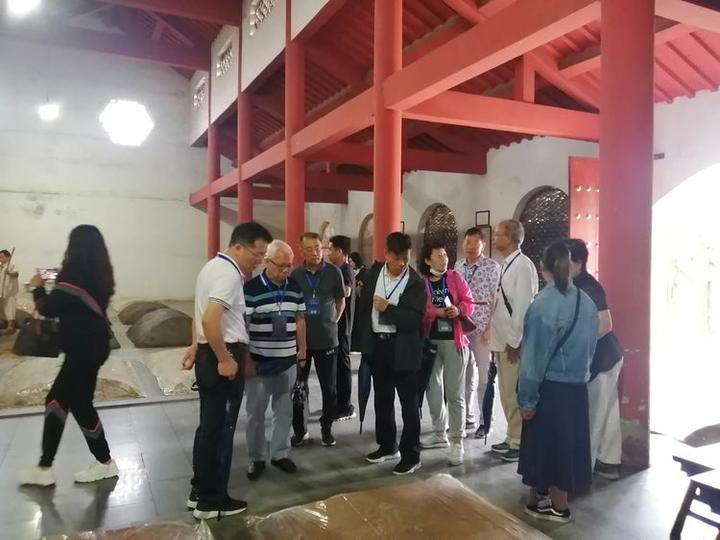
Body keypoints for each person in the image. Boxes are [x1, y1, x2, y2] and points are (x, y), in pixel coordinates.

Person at [182, 222, 272, 520]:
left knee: (208, 428)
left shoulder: (211, 267)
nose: (259, 261)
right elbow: (210, 320)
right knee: (221, 431)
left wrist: (196, 345)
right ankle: (212, 502)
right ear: (238, 247)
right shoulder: (229, 274)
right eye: (257, 254)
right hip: (222, 354)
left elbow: (199, 315)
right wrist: (224, 358)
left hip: (209, 351)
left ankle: (199, 491)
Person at [19, 225, 118, 487]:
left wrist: (37, 288)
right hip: (92, 346)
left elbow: (49, 307)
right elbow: (70, 295)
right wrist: (53, 278)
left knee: (70, 403)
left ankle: (101, 462)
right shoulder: (99, 274)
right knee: (64, 401)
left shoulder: (74, 275)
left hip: (83, 350)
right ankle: (48, 467)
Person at [518, 241, 598, 524]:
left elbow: (533, 359)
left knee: (547, 447)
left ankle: (557, 507)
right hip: (576, 388)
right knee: (566, 446)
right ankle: (553, 501)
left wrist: (527, 399)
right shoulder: (586, 302)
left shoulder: (542, 304)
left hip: (550, 388)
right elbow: (591, 347)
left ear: (544, 267)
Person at [358, 232, 426, 475]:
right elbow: (364, 308)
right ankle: (387, 446)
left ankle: (411, 455)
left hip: (404, 348)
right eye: (397, 258)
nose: (402, 263)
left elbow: (414, 319)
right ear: (386, 254)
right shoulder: (373, 273)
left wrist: (388, 309)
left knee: (409, 404)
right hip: (379, 346)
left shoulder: (415, 282)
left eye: (406, 258)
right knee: (383, 399)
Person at [243, 240, 306, 481]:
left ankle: (280, 453)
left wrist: (303, 349)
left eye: (289, 265)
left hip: (287, 362)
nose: (286, 270)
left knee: (284, 411)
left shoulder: (294, 286)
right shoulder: (251, 289)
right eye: (281, 266)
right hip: (259, 363)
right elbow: (243, 326)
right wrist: (247, 358)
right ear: (267, 262)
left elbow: (300, 318)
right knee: (255, 414)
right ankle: (256, 458)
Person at [566, 239, 624, 480]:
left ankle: (583, 471)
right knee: (607, 412)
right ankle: (609, 463)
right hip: (600, 358)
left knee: (594, 416)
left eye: (565, 261)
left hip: (602, 359)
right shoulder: (573, 285)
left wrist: (576, 345)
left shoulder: (589, 287)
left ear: (579, 263)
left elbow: (605, 325)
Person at [419, 240, 474, 465]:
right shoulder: (422, 283)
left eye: (445, 255)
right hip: (431, 341)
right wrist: (436, 312)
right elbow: (421, 309)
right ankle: (439, 432)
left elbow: (469, 302)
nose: (444, 259)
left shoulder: (455, 277)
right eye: (439, 255)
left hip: (454, 341)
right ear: (427, 260)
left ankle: (457, 441)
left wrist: (458, 309)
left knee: (454, 393)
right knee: (432, 388)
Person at [290, 232, 346, 447]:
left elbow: (340, 301)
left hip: (327, 340)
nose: (315, 252)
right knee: (299, 387)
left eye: (318, 248)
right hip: (301, 342)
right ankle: (300, 430)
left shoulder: (333, 272)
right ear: (301, 251)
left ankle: (326, 428)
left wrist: (332, 321)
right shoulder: (295, 275)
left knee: (329, 388)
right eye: (310, 249)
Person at [490, 219, 538, 462]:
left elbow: (522, 307)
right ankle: (511, 436)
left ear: (510, 238)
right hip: (501, 339)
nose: (494, 238)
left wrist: (514, 341)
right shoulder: (506, 264)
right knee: (505, 391)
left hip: (512, 342)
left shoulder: (523, 266)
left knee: (513, 392)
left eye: (497, 234)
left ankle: (519, 442)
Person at [455, 228, 501, 439]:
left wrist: (491, 327)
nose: (471, 246)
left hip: (482, 329)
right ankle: (468, 416)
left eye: (476, 242)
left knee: (484, 378)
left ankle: (485, 422)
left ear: (483, 244)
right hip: (461, 329)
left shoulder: (492, 267)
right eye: (468, 242)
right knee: (464, 376)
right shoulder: (457, 267)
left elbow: (497, 301)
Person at [328, 235, 356, 421]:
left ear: (339, 251)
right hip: (337, 326)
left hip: (343, 325)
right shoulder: (338, 269)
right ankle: (337, 402)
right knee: (337, 367)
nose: (328, 253)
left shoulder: (345, 269)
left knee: (343, 366)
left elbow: (346, 292)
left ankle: (346, 406)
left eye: (330, 249)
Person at [349, 251, 366, 352]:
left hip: (361, 302)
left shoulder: (364, 272)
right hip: (353, 302)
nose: (350, 263)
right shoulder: (350, 272)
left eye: (351, 261)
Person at [0, 249, 19, 333]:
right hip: (2, 291)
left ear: (8, 257)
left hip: (10, 292)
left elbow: (16, 274)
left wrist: (9, 273)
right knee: (3, 308)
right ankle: (5, 324)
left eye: (2, 257)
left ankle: (10, 327)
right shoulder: (1, 266)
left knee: (9, 308)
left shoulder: (12, 265)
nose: (0, 259)